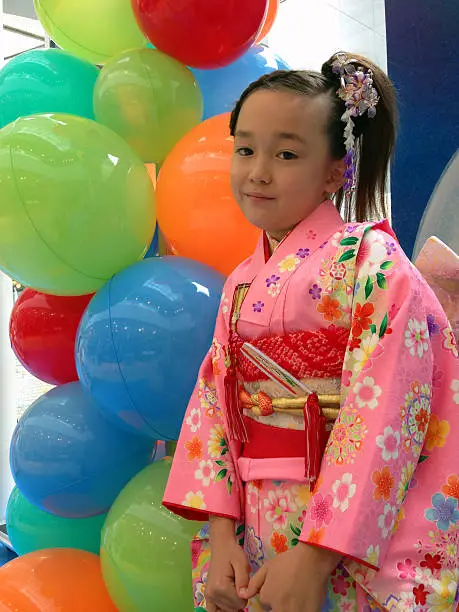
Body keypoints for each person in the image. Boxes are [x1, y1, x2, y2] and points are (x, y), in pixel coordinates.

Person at [163, 51, 459, 611]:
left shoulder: (375, 264)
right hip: (253, 531)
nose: (258, 171)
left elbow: (387, 411)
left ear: (334, 169)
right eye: (245, 149)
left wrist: (316, 554)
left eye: (286, 153)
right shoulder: (241, 285)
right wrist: (223, 535)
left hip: (344, 540)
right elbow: (215, 407)